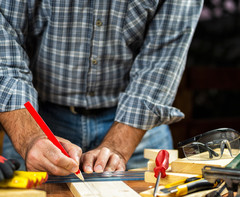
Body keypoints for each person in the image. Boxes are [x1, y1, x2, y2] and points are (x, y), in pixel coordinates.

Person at [0, 1, 203, 176]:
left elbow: (162, 63)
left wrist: (119, 147)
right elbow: (5, 48)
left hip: (139, 127)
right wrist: (30, 137)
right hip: (39, 118)